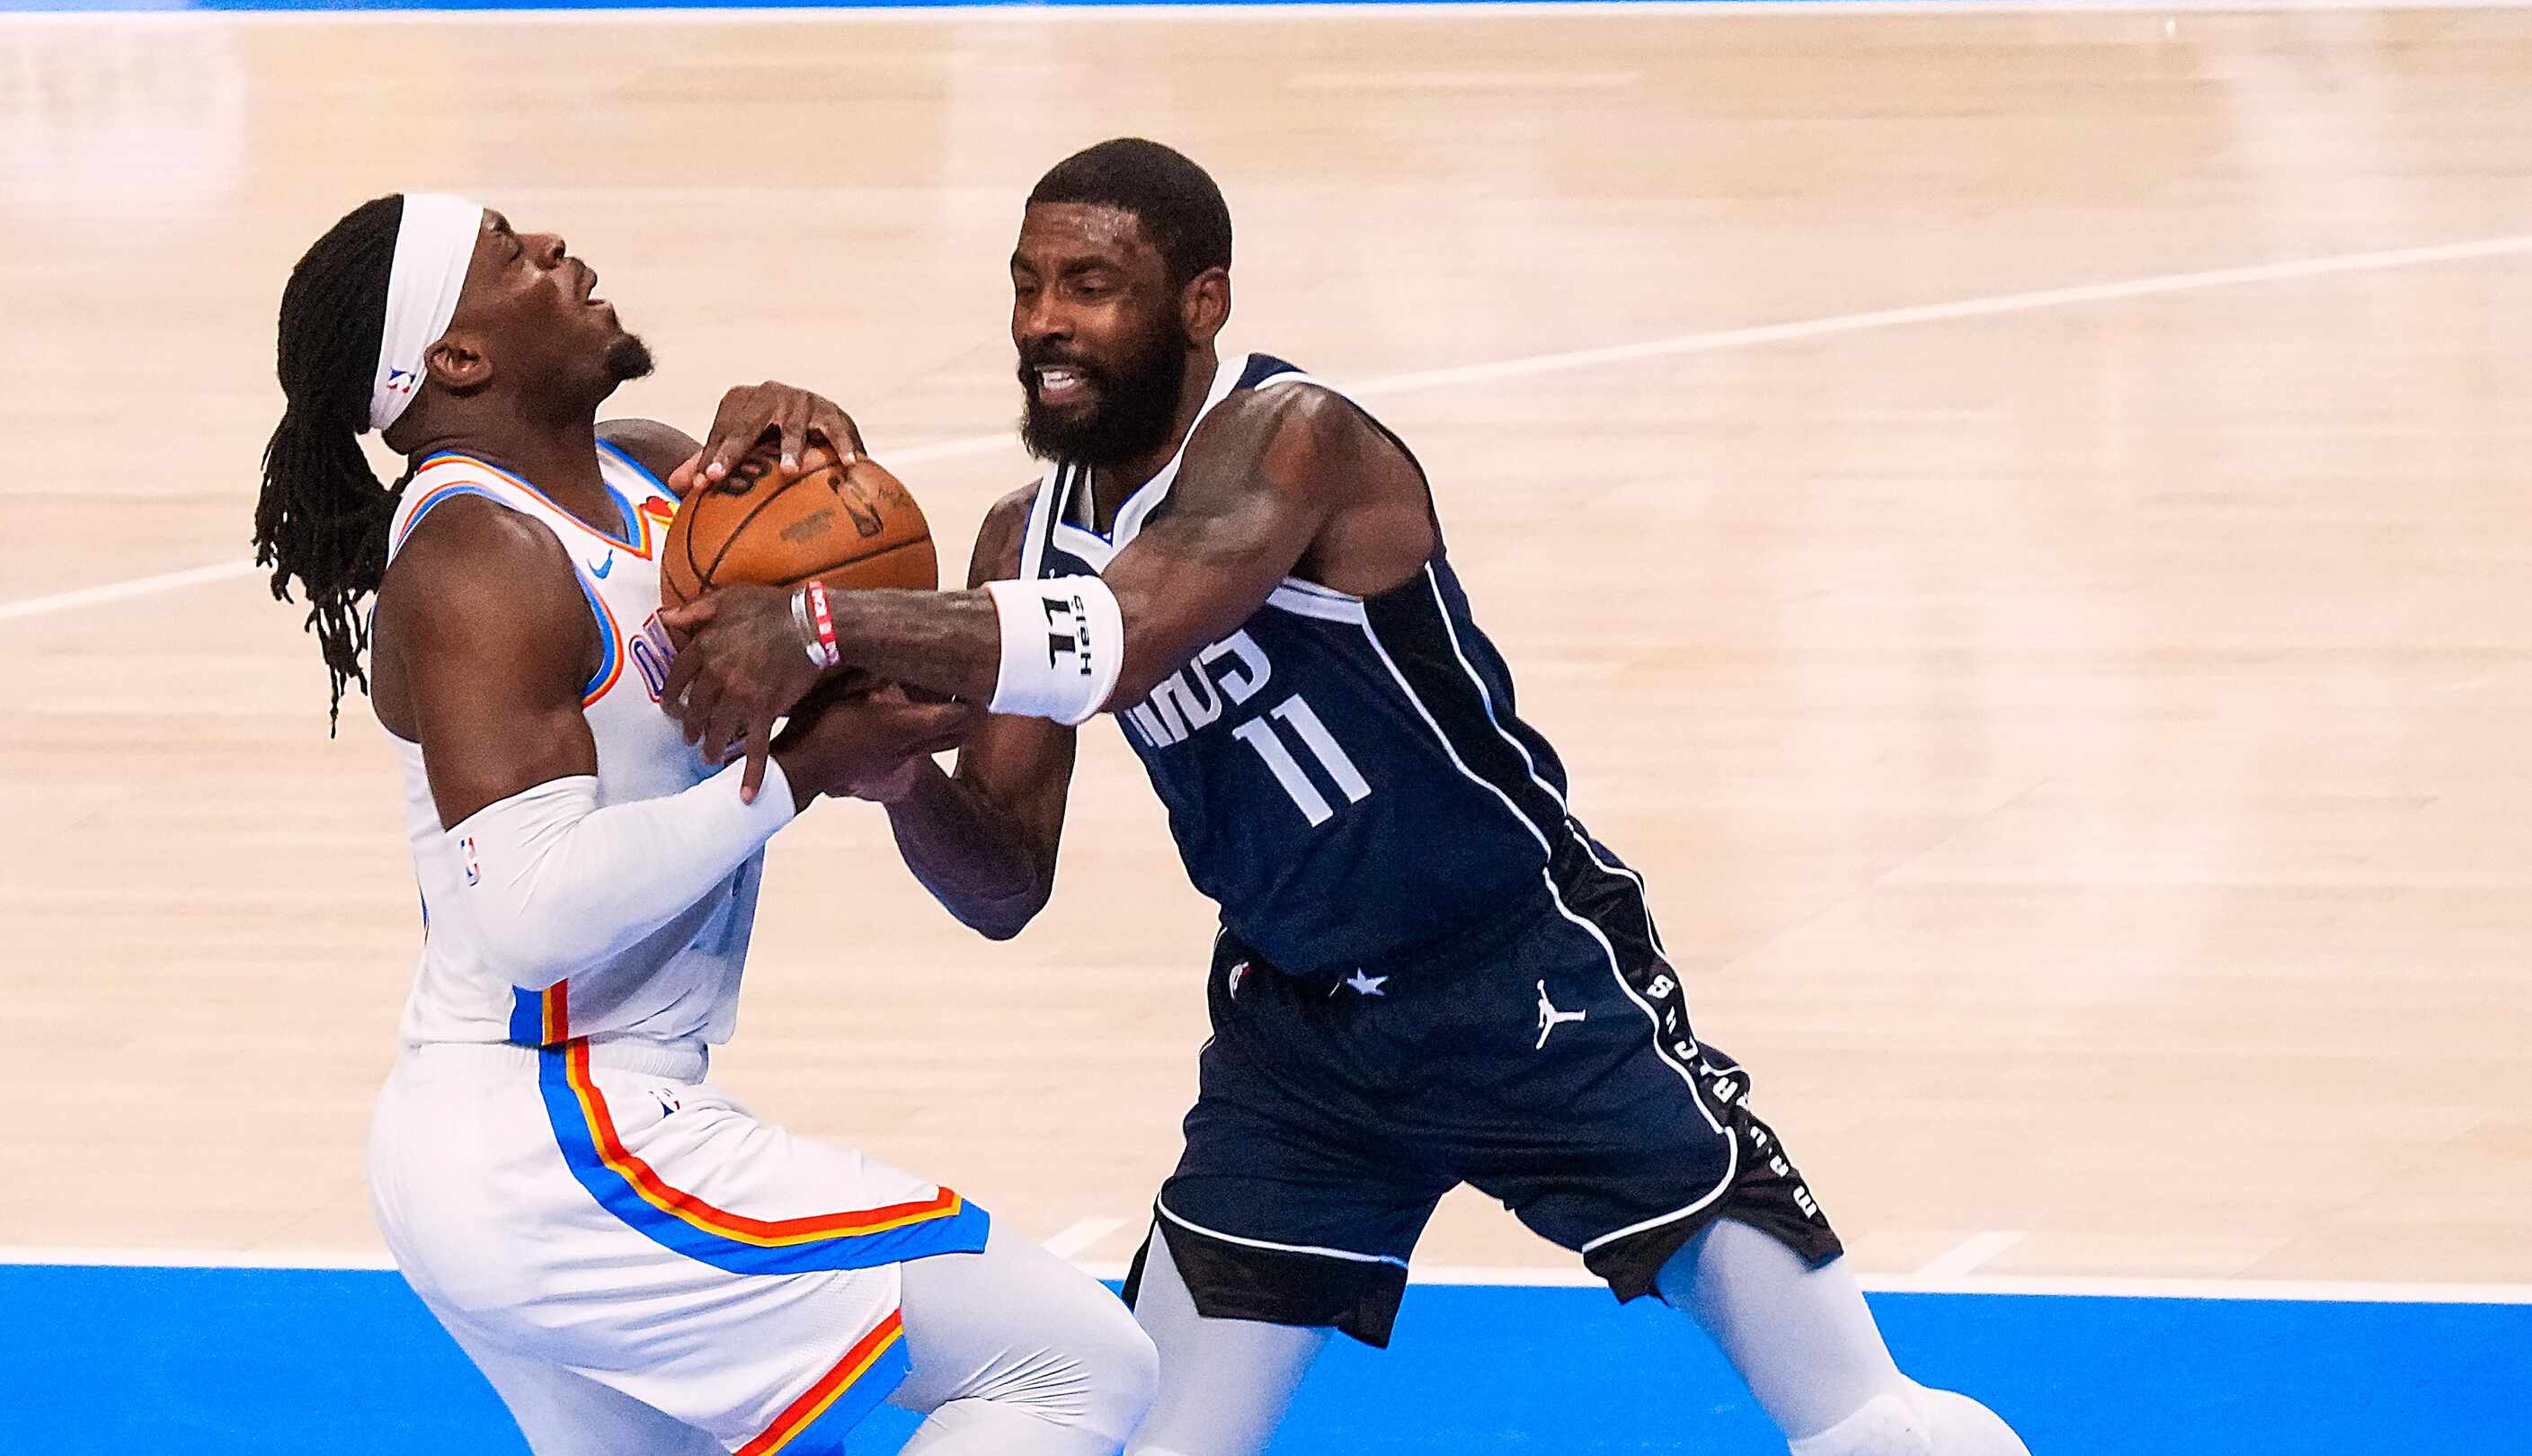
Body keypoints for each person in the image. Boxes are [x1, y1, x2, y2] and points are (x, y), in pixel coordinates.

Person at [660, 140, 2036, 1456]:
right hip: (1303, 1043)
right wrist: (888, 771)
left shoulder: (1296, 438)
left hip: (1518, 980)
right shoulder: (1026, 534)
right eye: (1026, 284)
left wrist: (831, 624)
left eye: (1089, 285)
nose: (1043, 322)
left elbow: (1123, 635)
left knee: (1862, 1419)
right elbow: (1006, 884)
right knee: (1152, 1431)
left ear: (1201, 303)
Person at [252, 191, 1157, 1456]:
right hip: (552, 1136)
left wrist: (786, 439)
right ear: (456, 361)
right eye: (510, 255)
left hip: (529, 1144)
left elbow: (825, 637)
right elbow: (531, 914)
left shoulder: (643, 470)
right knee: (1074, 1367)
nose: (556, 248)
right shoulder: (477, 557)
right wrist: (799, 770)